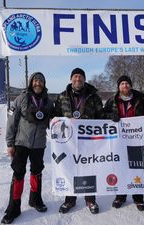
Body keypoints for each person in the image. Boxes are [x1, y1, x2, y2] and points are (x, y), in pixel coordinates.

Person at [1, 72, 55, 224]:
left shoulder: (49, 102)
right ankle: (13, 207)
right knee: (18, 173)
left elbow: (55, 122)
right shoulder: (21, 98)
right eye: (36, 80)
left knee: (37, 172)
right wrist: (10, 143)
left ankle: (35, 200)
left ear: (44, 84)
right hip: (21, 143)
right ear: (31, 82)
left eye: (41, 81)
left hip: (39, 144)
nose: (38, 83)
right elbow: (11, 122)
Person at [54, 68, 103, 214]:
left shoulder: (93, 97)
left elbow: (101, 117)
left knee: (88, 169)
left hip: (88, 141)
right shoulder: (62, 97)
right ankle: (69, 200)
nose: (78, 79)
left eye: (80, 77)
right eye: (75, 76)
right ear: (71, 79)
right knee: (70, 169)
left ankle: (90, 199)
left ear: (84, 79)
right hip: (68, 143)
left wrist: (112, 117)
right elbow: (56, 117)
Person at [103, 75, 144, 211]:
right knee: (119, 167)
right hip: (118, 140)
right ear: (118, 86)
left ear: (131, 85)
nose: (125, 86)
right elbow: (102, 114)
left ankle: (138, 197)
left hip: (136, 138)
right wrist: (110, 116)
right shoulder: (112, 100)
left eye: (127, 83)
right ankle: (120, 196)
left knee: (136, 166)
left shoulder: (140, 99)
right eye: (122, 83)